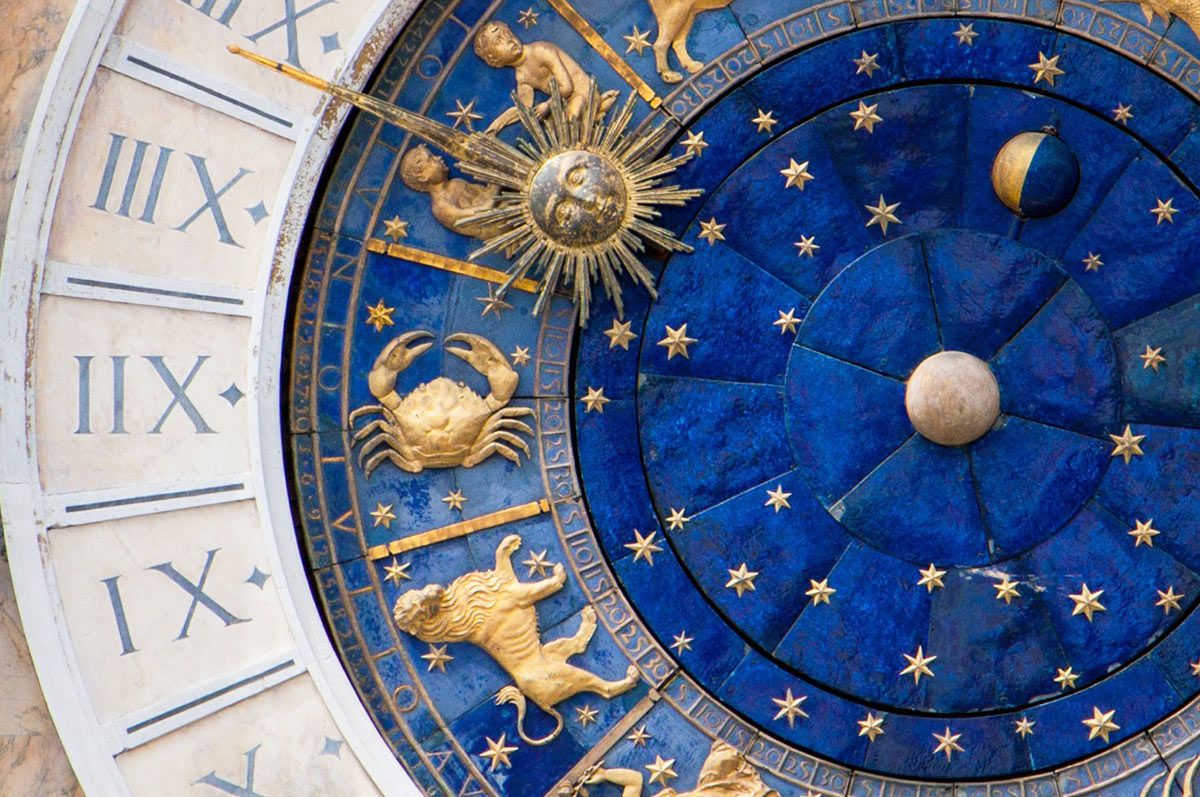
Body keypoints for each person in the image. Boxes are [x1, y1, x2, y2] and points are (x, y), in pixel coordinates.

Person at [473, 20, 618, 134]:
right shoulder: (522, 76)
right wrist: (496, 126)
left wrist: (547, 105)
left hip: (584, 95)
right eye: (499, 41)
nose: (509, 40)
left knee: (568, 125)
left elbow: (567, 88)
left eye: (508, 34)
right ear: (495, 61)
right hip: (566, 103)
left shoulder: (540, 50)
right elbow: (523, 109)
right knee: (554, 131)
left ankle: (590, 125)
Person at [398, 144, 503, 241]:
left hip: (506, 204)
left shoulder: (456, 182)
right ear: (421, 175)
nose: (439, 158)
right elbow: (484, 214)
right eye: (431, 159)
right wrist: (499, 178)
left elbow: (487, 192)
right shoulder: (441, 207)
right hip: (503, 223)